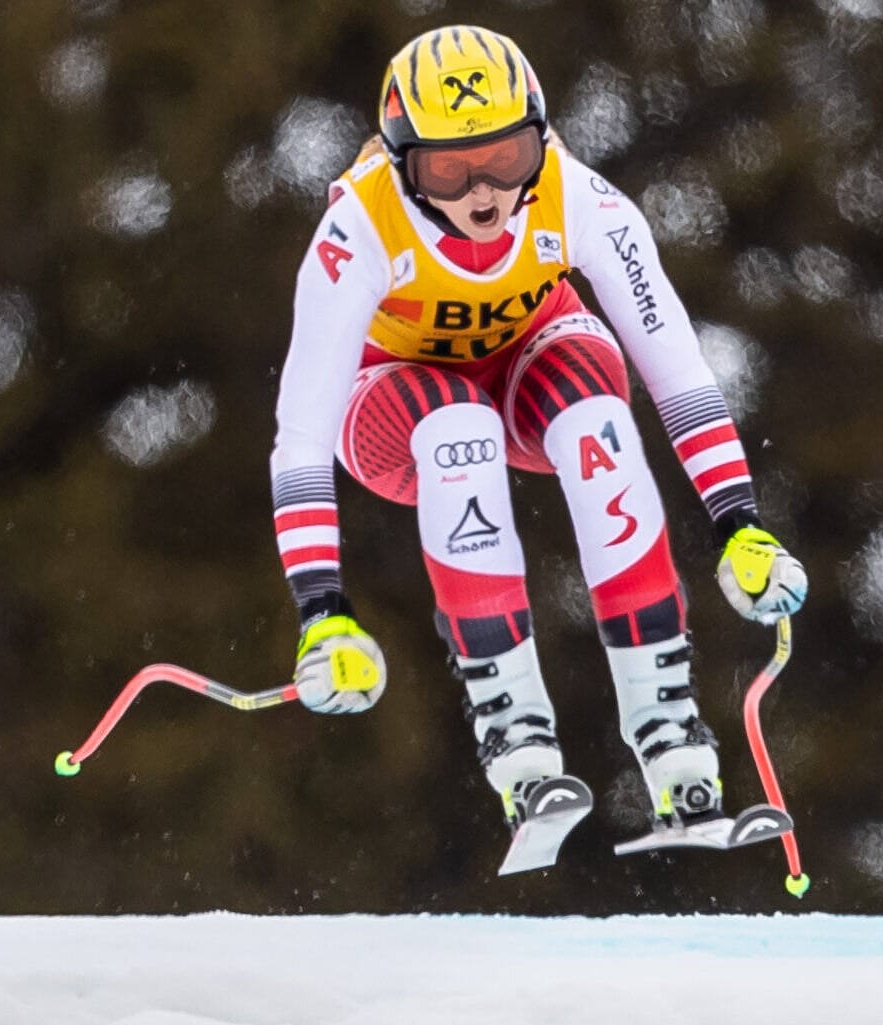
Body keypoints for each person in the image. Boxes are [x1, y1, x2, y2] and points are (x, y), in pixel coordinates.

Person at [268, 25, 807, 845]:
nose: (482, 194)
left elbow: (678, 372)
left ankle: (670, 738)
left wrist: (740, 523)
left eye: (508, 158)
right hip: (395, 407)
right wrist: (321, 610)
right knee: (459, 427)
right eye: (449, 169)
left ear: (543, 137)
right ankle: (515, 737)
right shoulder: (359, 230)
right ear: (400, 160)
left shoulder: (580, 199)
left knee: (597, 412)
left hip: (528, 370)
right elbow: (301, 435)